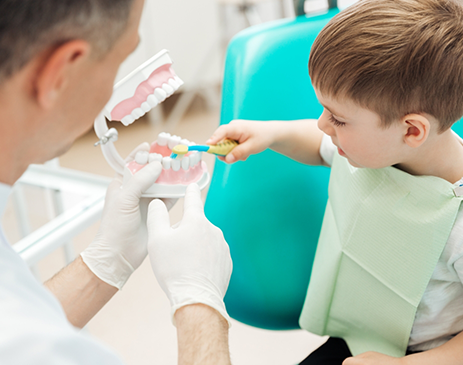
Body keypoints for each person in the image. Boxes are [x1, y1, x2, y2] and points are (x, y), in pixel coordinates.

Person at [207, 0, 463, 364]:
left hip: (429, 354)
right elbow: (318, 143)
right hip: (360, 333)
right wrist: (271, 133)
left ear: (411, 130)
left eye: (338, 119)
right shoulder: (375, 148)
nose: (323, 126)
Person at [0, 0, 232, 364]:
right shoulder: (38, 348)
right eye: (119, 58)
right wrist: (199, 304)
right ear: (61, 72)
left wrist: (105, 262)